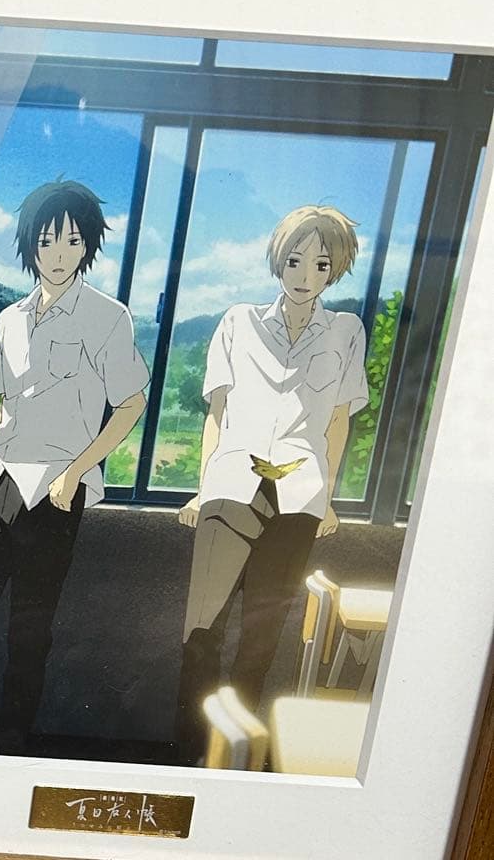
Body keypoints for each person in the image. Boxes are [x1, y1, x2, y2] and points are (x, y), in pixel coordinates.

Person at [0, 179, 149, 753]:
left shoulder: (108, 317)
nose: (58, 253)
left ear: (88, 246)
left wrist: (76, 471)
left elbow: (131, 404)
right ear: (30, 243)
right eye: (47, 240)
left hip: (55, 491)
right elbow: (4, 408)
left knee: (29, 633)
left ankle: (11, 745)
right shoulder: (9, 318)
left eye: (72, 241)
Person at [175, 205, 369, 762]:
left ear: (335, 270)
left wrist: (327, 497)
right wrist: (204, 485)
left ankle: (229, 759)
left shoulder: (346, 331)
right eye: (295, 260)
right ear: (278, 260)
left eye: (321, 264)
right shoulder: (239, 321)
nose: (306, 274)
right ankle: (187, 753)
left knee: (260, 642)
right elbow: (217, 412)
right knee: (201, 631)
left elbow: (338, 421)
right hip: (232, 486)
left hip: (299, 494)